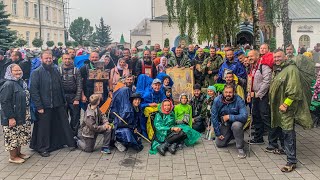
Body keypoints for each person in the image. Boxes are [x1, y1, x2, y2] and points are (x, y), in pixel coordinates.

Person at [270, 50, 313, 172]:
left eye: (279, 57)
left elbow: (295, 91)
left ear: (285, 57)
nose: (277, 59)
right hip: (280, 107)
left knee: (288, 132)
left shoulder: (291, 70)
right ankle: (284, 149)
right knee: (282, 129)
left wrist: (286, 104)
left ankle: (291, 161)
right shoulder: (280, 69)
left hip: (287, 108)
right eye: (275, 57)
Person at [29, 50, 75, 157]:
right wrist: (39, 106)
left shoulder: (55, 70)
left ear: (53, 58)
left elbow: (60, 87)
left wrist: (63, 101)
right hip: (44, 105)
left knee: (61, 124)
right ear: (41, 59)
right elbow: (34, 91)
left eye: (50, 58)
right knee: (43, 127)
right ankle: (42, 148)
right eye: (46, 58)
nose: (48, 60)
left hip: (57, 103)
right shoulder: (36, 72)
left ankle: (63, 143)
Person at [0, 64, 31, 164]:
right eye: (15, 71)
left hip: (21, 113)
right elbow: (4, 102)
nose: (18, 72)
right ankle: (12, 157)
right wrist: (10, 117)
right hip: (12, 115)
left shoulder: (21, 82)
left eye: (19, 70)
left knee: (20, 134)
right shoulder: (8, 84)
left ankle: (18, 153)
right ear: (10, 72)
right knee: (12, 136)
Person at [247, 50, 276, 149]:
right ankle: (258, 138)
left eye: (251, 56)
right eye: (248, 56)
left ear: (257, 56)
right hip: (255, 96)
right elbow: (250, 80)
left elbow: (267, 81)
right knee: (256, 116)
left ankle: (273, 143)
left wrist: (258, 94)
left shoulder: (264, 66)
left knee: (266, 118)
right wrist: (248, 93)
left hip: (263, 96)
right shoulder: (252, 67)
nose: (249, 58)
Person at [211, 84, 248, 158]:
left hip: (237, 122)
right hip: (225, 124)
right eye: (226, 92)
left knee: (236, 126)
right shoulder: (217, 100)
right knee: (219, 144)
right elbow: (214, 117)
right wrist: (218, 133)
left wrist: (229, 117)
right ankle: (233, 135)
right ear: (223, 92)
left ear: (234, 92)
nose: (228, 94)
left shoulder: (239, 100)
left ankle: (240, 148)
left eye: (230, 92)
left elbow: (244, 116)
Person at [60, 53, 82, 136]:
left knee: (75, 118)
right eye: (65, 58)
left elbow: (79, 85)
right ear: (62, 59)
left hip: (73, 96)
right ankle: (65, 137)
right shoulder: (58, 70)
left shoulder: (76, 70)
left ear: (71, 60)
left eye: (69, 59)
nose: (67, 60)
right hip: (63, 97)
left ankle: (74, 136)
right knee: (63, 119)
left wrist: (77, 98)